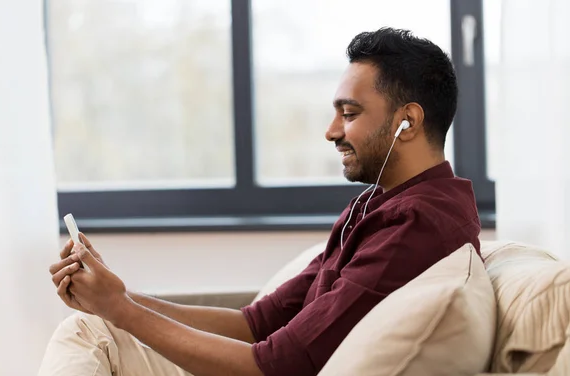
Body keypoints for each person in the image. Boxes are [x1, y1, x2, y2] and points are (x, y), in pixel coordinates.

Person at [39, 28, 481, 376]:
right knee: (92, 327)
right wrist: (118, 297)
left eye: (349, 114)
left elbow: (277, 365)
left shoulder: (416, 224)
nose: (331, 131)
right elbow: (254, 323)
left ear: (407, 122)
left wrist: (118, 309)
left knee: (89, 333)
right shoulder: (373, 207)